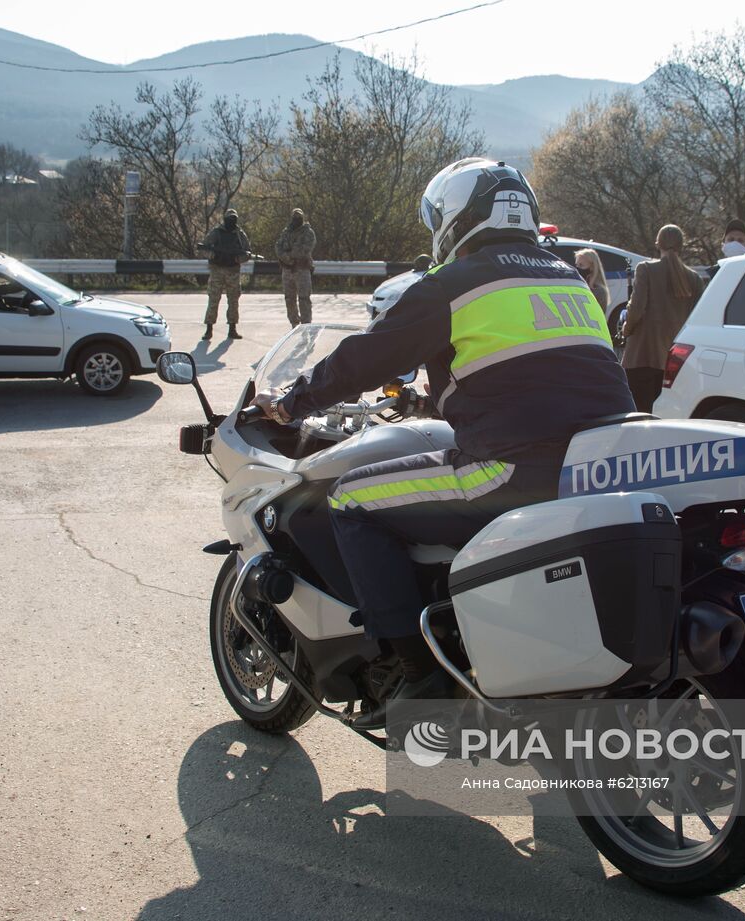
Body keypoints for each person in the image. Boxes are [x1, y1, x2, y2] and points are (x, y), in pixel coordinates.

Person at [251, 158, 635, 720]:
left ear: (456, 220)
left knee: (351, 497)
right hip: (600, 465)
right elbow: (536, 372)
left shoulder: (453, 283)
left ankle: (420, 674)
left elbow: (363, 361)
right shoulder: (568, 278)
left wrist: (290, 402)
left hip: (514, 469)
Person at [622, 224, 705, 413]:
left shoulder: (646, 269)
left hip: (642, 355)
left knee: (637, 413)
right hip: (674, 361)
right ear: (681, 246)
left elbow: (636, 309)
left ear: (658, 244)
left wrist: (626, 329)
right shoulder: (694, 279)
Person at [196, 209, 250, 341]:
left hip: (233, 271)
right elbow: (204, 248)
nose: (232, 221)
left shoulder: (239, 234)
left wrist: (239, 259)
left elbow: (247, 252)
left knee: (233, 301)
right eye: (230, 219)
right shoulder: (216, 232)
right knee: (213, 300)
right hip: (217, 270)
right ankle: (209, 329)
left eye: (234, 219)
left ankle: (232, 329)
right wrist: (213, 255)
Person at [275, 208, 317, 327]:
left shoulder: (308, 232)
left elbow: (305, 249)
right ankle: (294, 324)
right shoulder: (286, 232)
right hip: (287, 270)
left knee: (304, 299)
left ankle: (306, 326)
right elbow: (278, 247)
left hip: (302, 270)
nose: (296, 220)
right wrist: (286, 258)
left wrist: (290, 255)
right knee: (289, 299)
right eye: (294, 218)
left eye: (298, 218)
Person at [573, 248, 610, 315]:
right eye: (577, 265)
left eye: (581, 265)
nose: (577, 269)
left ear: (592, 267)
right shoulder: (577, 285)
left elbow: (597, 316)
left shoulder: (599, 291)